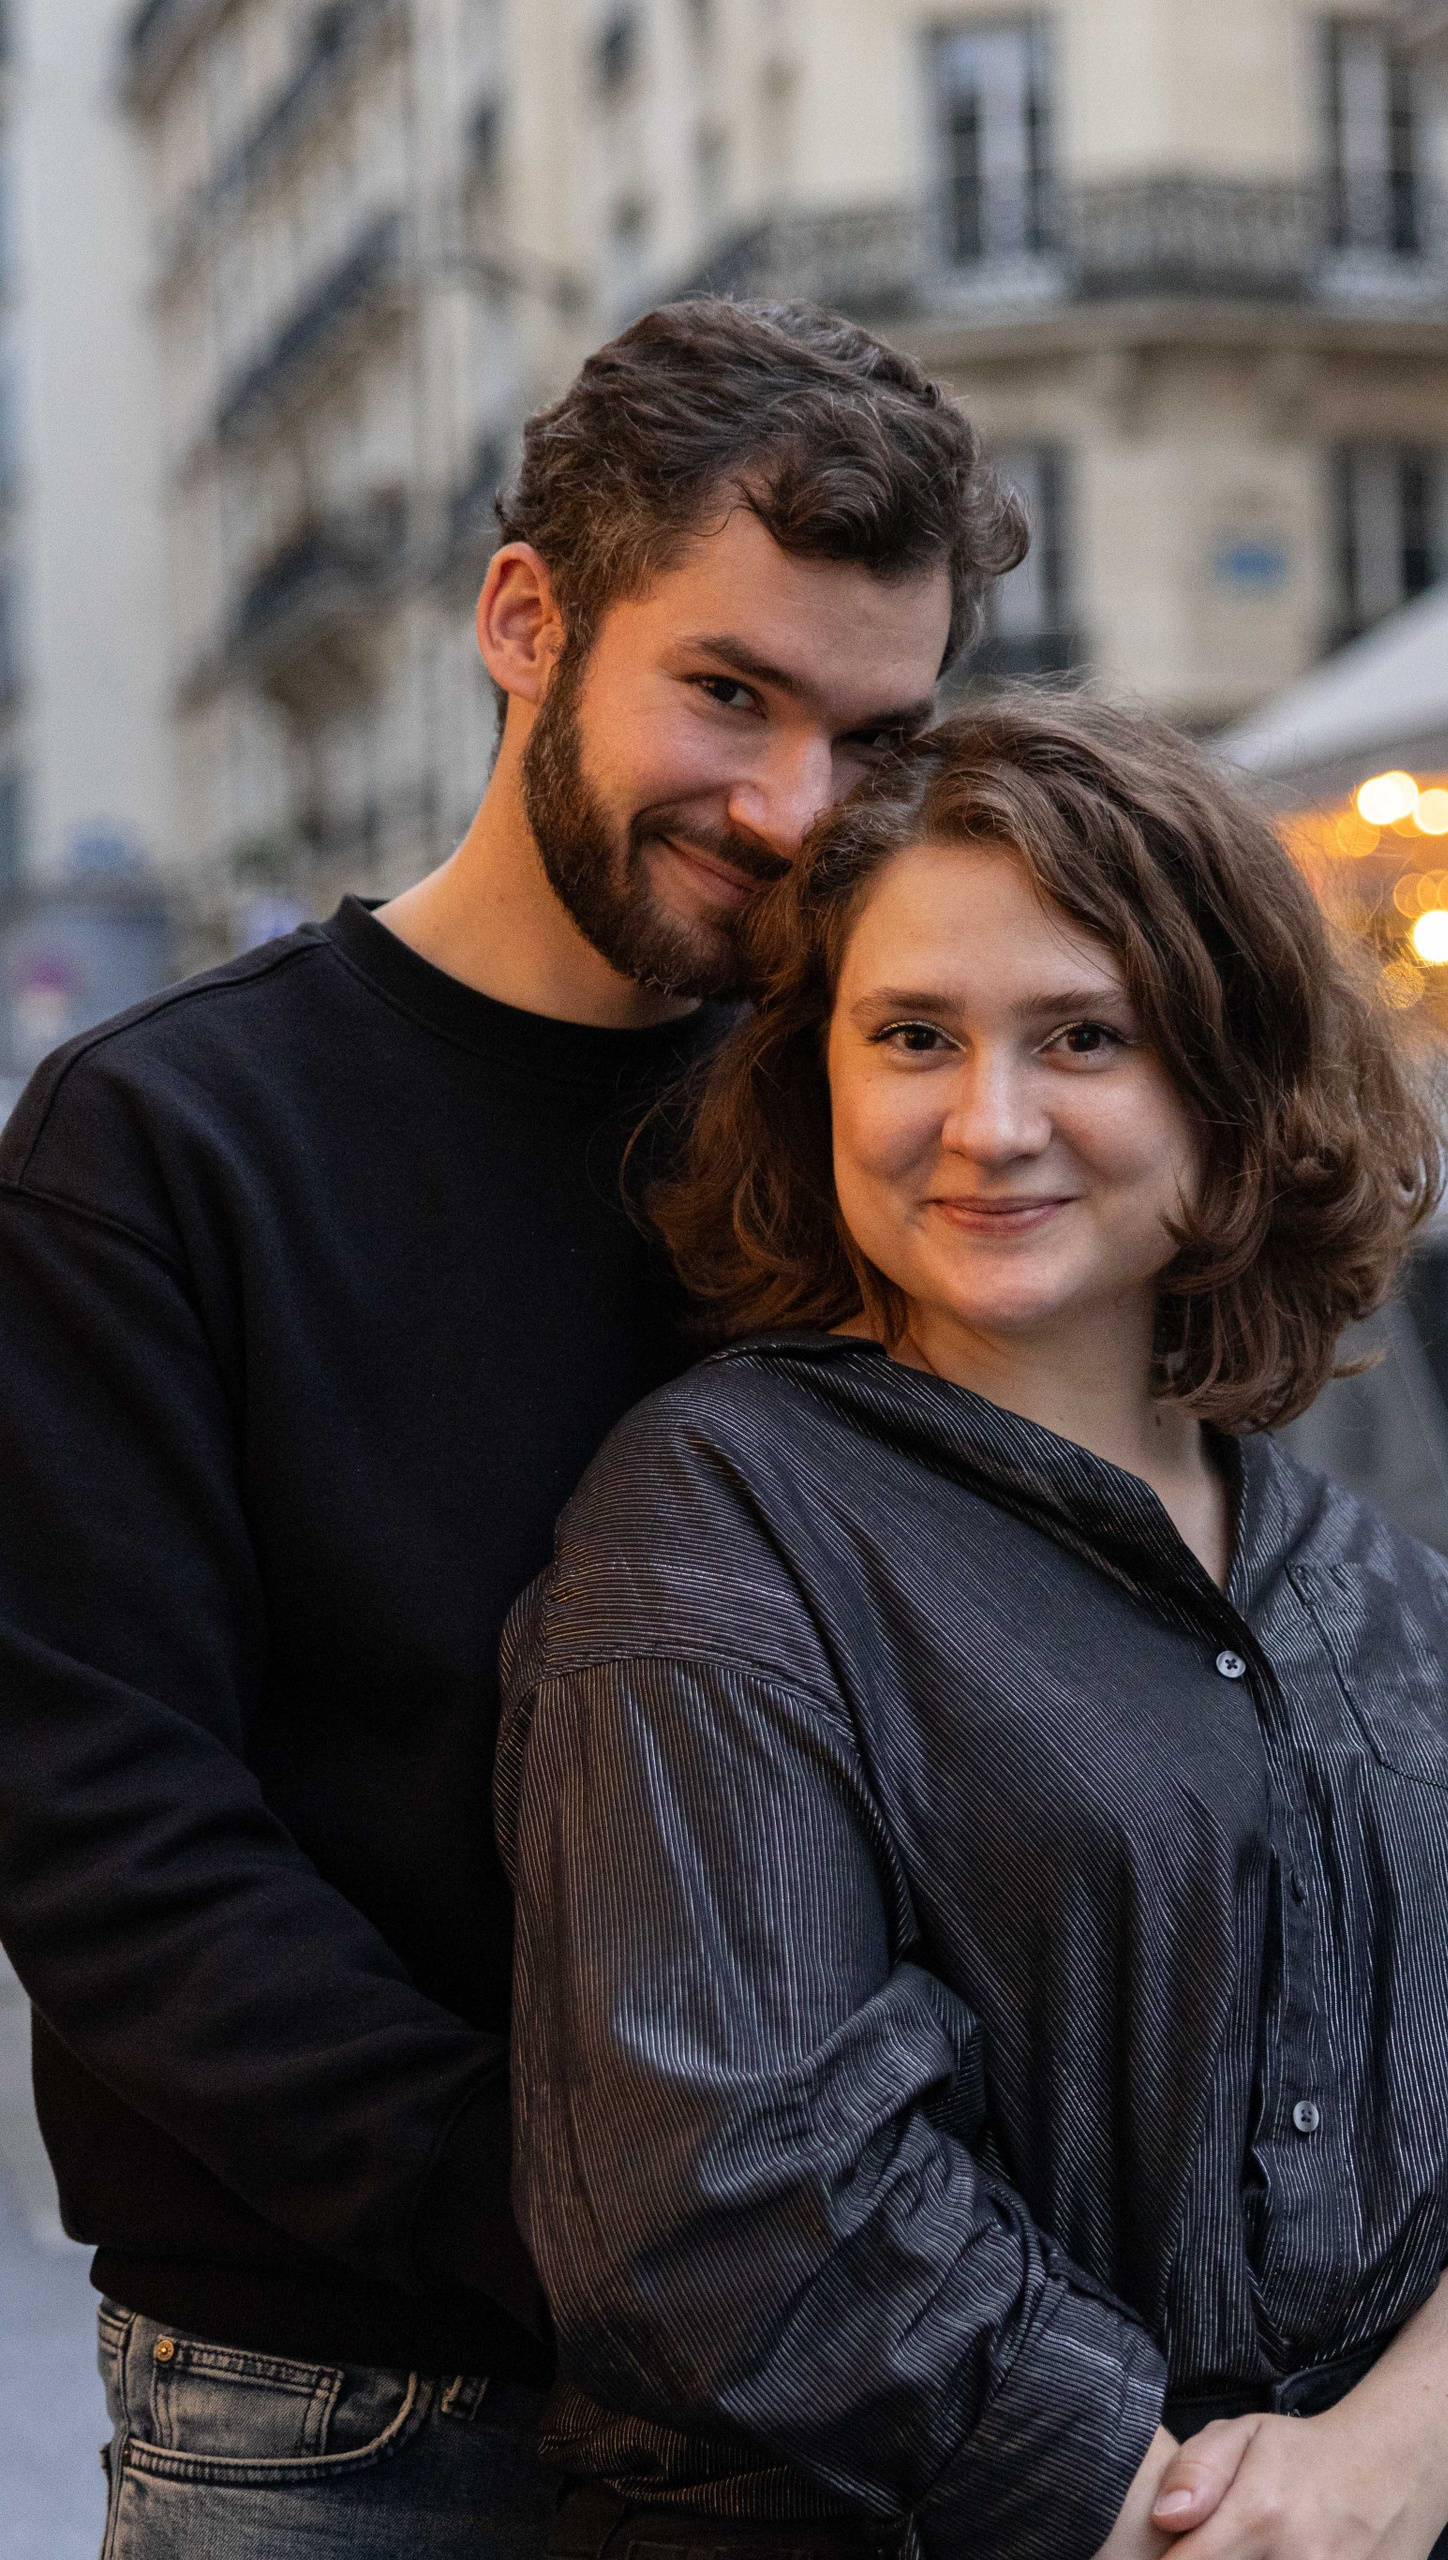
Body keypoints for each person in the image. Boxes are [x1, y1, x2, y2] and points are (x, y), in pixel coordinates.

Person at [0, 298, 1023, 2558]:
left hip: (844, 2360)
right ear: (523, 619)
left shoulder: (882, 1119)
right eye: (727, 693)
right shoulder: (163, 1137)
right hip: (346, 2393)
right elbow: (104, 1830)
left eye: (870, 736)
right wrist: (603, 2225)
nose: (790, 810)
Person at [500, 694, 1448, 2560]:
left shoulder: (1390, 1603)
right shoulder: (727, 1514)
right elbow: (718, 2190)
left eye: (1082, 1037)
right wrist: (1192, 2519)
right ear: (820, 1075)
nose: (988, 1123)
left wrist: (1384, 2469)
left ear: (1233, 1087)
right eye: (913, 1037)